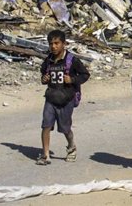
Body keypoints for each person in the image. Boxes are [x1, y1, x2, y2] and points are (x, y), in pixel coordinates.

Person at [37, 29, 90, 166]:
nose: (53, 46)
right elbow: (43, 74)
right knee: (46, 126)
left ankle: (71, 147)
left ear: (64, 44)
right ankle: (45, 155)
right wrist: (44, 78)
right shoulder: (48, 60)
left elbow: (85, 75)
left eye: (56, 43)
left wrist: (72, 80)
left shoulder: (72, 60)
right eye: (51, 44)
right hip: (51, 97)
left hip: (66, 99)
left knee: (65, 128)